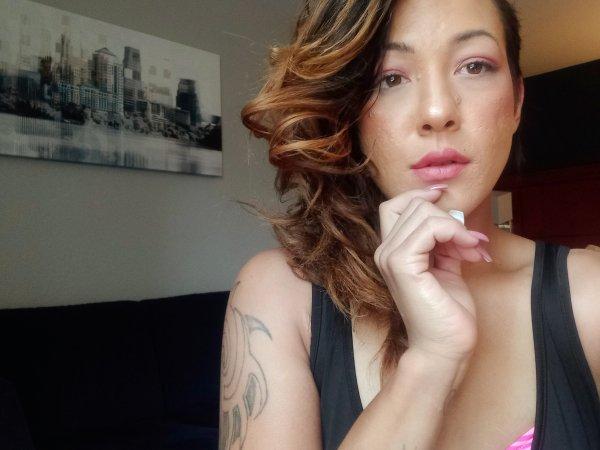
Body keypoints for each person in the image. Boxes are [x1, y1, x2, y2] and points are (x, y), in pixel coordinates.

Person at [219, 0, 600, 449]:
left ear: (517, 100)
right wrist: (430, 361)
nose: (437, 111)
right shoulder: (278, 295)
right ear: (351, 112)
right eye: (390, 77)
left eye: (474, 66)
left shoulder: (589, 296)